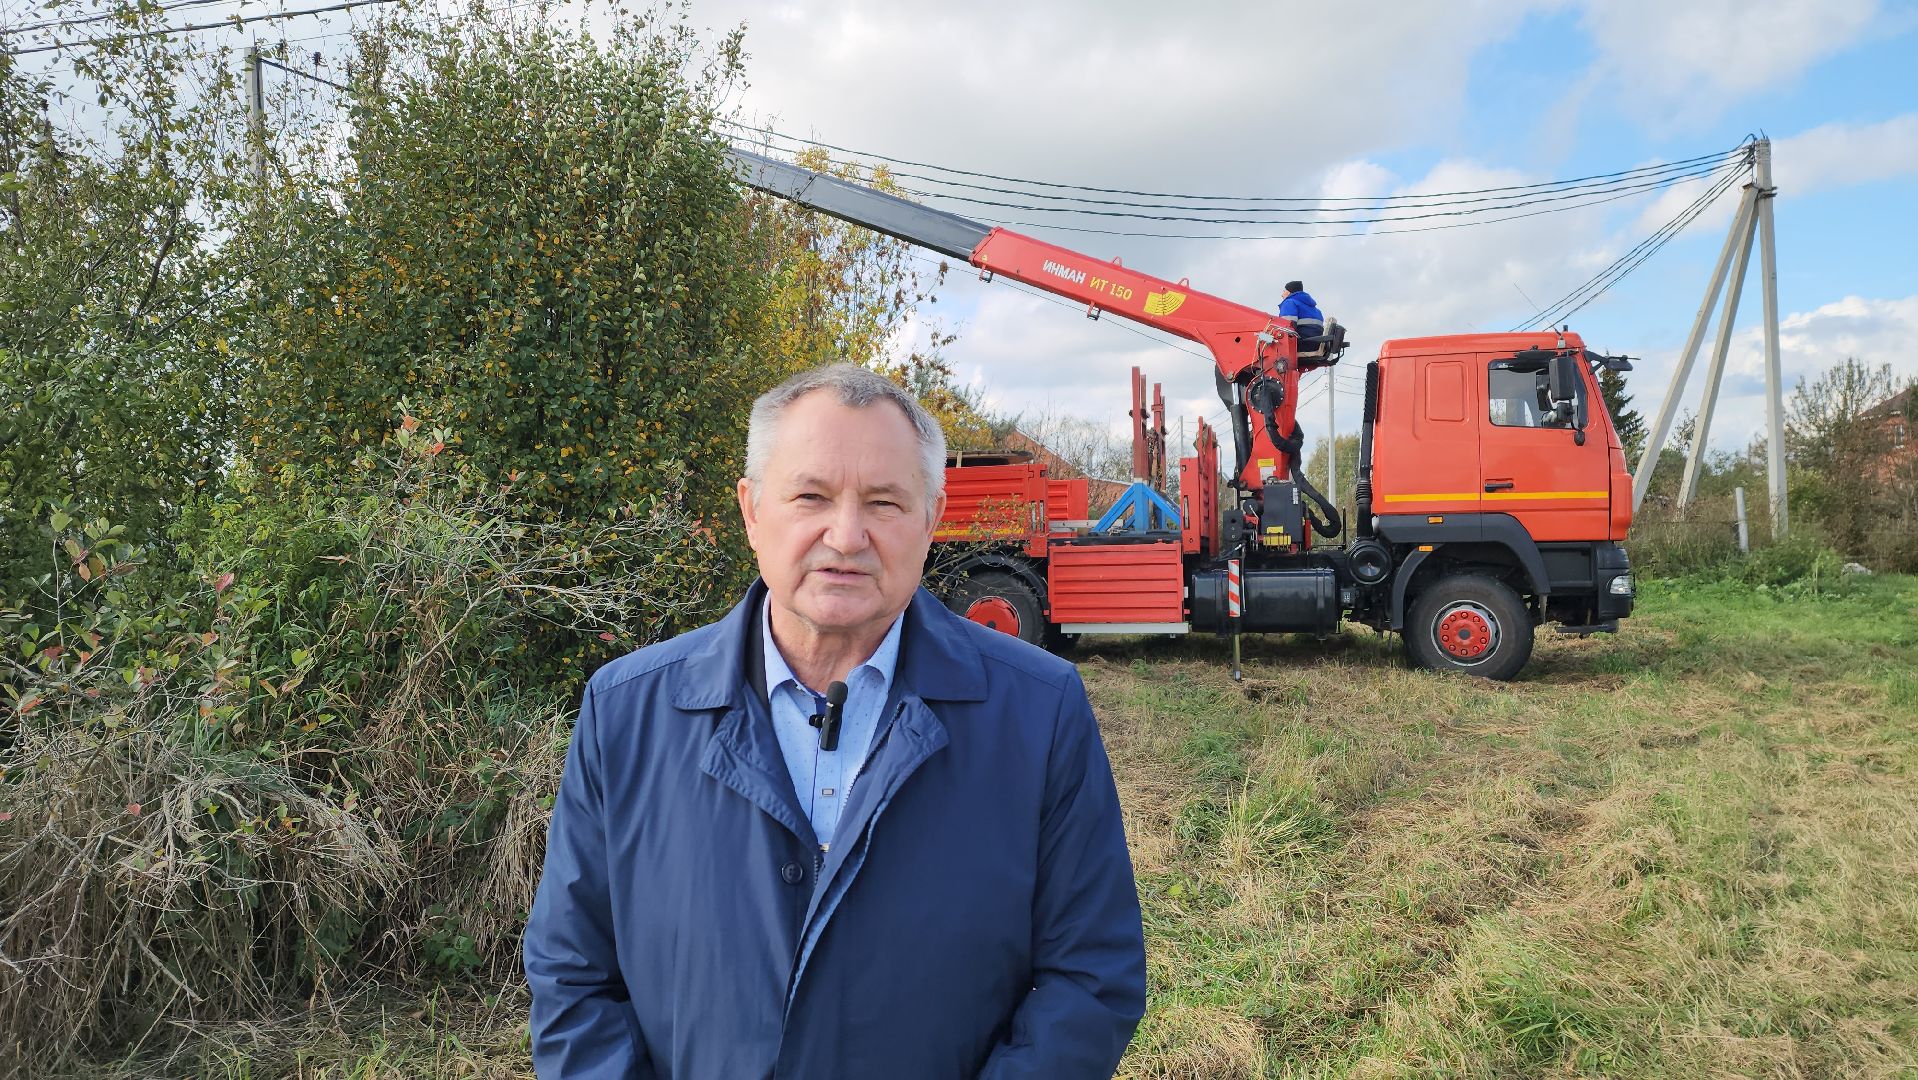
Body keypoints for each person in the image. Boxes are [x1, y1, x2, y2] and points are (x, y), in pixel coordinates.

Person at [524, 363, 1147, 1079]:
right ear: (752, 509)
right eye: (811, 496)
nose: (846, 536)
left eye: (883, 502)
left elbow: (1091, 977)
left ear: (932, 517)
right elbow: (573, 976)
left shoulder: (1038, 713)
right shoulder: (627, 713)